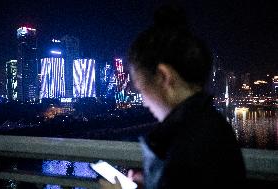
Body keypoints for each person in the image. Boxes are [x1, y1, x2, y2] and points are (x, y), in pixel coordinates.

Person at [100, 4, 246, 189]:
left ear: (164, 77)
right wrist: (154, 182)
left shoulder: (189, 148)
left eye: (140, 88)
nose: (144, 101)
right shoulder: (210, 125)